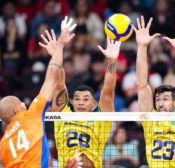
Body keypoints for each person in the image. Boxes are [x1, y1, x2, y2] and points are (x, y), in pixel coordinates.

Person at [0, 17, 80, 168]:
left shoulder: (2, 146)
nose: (24, 104)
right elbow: (52, 75)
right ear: (17, 109)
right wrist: (60, 45)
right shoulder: (31, 115)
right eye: (21, 102)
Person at [40, 16, 119, 167]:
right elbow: (58, 83)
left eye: (85, 99)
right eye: (77, 98)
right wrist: (59, 49)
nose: (80, 102)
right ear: (72, 101)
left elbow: (108, 90)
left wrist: (112, 61)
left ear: (93, 103)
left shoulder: (101, 117)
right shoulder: (63, 112)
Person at [135, 16, 175, 167]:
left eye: (165, 99)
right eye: (158, 99)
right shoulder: (150, 119)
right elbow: (142, 85)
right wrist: (142, 47)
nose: (160, 103)